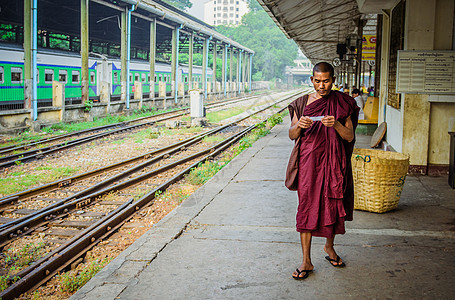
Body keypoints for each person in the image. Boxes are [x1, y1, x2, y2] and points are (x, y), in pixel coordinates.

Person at [287, 62, 359, 280]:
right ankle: (306, 260)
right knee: (307, 207)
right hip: (309, 163)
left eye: (326, 81)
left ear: (333, 80)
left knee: (333, 204)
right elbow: (292, 135)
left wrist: (336, 124)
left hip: (334, 163)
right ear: (311, 80)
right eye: (317, 81)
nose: (322, 86)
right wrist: (299, 125)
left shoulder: (343, 103)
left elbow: (349, 136)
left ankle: (329, 248)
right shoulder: (301, 104)